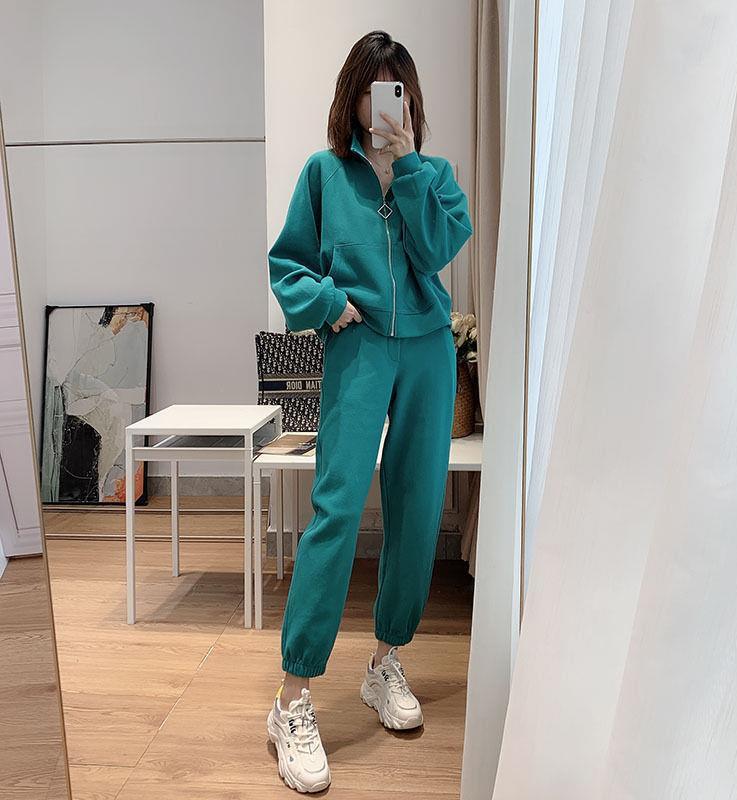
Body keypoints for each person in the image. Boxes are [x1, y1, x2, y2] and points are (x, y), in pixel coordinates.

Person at [265, 29, 473, 793]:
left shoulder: (435, 175)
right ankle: (292, 696)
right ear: (351, 97)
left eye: (397, 90)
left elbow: (438, 251)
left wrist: (408, 167)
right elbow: (288, 262)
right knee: (338, 508)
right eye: (372, 89)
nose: (384, 102)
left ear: (410, 100)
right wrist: (329, 303)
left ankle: (386, 662)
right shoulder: (323, 174)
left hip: (427, 351)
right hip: (358, 348)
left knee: (417, 510)